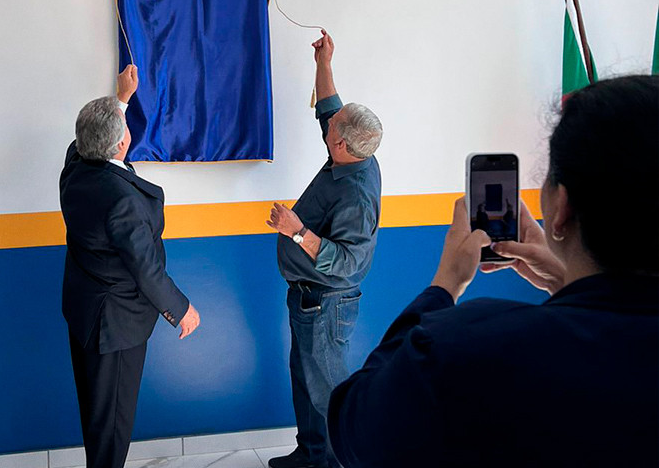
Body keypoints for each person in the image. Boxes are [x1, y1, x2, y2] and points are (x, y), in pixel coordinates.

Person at [328, 75, 659, 467]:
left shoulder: (470, 344)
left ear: (562, 207)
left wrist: (444, 286)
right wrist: (568, 283)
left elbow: (355, 428)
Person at [59, 65, 201, 468]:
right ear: (123, 142)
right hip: (115, 327)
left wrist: (122, 99)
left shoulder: (74, 169)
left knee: (97, 415)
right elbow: (146, 268)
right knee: (112, 426)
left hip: (86, 314)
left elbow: (83, 142)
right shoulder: (122, 200)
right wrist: (181, 310)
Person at [266, 30, 383, 468]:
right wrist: (324, 63)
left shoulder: (357, 195)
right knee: (306, 382)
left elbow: (350, 260)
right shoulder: (350, 151)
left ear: (341, 144)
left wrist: (297, 232)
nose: (327, 120)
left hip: (326, 305)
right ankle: (311, 456)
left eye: (332, 126)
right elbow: (331, 107)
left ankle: (336, 463)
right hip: (307, 298)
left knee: (330, 395)